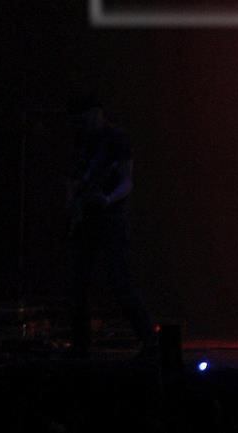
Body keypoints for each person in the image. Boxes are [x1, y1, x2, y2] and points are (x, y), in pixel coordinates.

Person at [65, 97, 156, 357]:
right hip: (86, 220)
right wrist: (73, 206)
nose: (80, 125)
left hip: (110, 219)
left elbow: (127, 182)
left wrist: (107, 199)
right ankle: (81, 346)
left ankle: (150, 342)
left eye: (83, 119)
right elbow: (72, 179)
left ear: (97, 113)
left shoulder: (116, 139)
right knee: (79, 284)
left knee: (120, 282)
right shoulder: (81, 141)